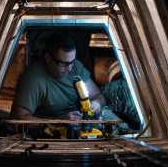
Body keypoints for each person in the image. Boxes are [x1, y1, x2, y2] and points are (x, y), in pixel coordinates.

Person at [10, 32, 141, 131]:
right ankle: (127, 136)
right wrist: (58, 121)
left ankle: (145, 128)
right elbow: (17, 121)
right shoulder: (33, 80)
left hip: (82, 112)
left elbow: (97, 96)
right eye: (64, 63)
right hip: (64, 126)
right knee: (104, 117)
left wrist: (96, 104)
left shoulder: (73, 66)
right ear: (47, 57)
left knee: (122, 89)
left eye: (72, 62)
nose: (70, 68)